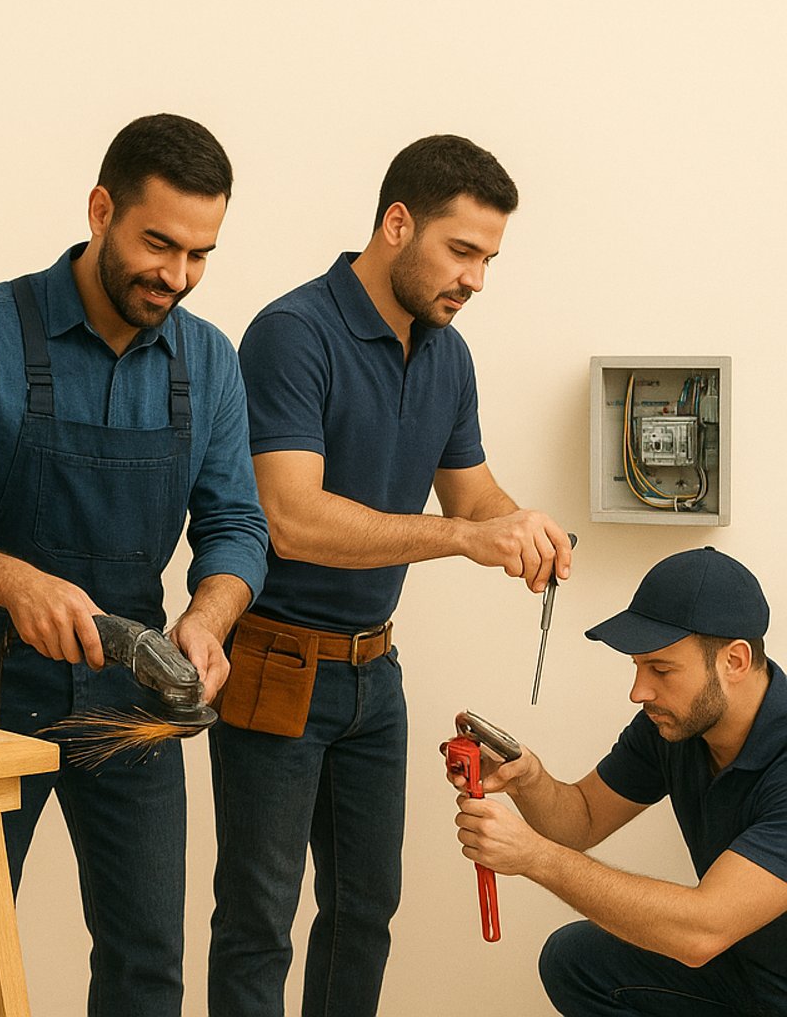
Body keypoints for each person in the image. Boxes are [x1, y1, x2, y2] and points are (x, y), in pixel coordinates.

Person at [0, 113, 269, 1016]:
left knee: (147, 964)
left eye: (200, 255)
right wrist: (14, 581)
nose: (176, 277)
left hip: (136, 696)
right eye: (158, 244)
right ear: (101, 210)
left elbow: (238, 526)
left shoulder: (209, 361)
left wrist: (211, 617)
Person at [208, 133, 575, 1017]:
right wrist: (461, 539)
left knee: (367, 914)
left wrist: (520, 528)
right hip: (275, 668)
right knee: (259, 921)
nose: (475, 280)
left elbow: (472, 491)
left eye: (488, 259)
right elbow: (291, 520)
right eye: (461, 252)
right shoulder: (293, 334)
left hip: (376, 677)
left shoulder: (447, 351)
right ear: (396, 224)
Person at [453, 547, 787, 1015]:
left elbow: (702, 931)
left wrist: (533, 857)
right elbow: (581, 821)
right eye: (637, 666)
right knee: (577, 960)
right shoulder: (673, 726)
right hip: (747, 973)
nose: (639, 692)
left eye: (661, 670)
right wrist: (527, 778)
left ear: (734, 661)